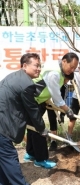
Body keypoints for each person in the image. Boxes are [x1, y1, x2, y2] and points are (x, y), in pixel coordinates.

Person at [24, 52, 79, 169]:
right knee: (40, 128)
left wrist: (47, 100)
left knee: (32, 128)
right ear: (64, 61)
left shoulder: (56, 67)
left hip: (37, 99)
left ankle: (30, 153)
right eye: (71, 67)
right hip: (32, 100)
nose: (72, 70)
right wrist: (67, 110)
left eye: (75, 68)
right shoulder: (54, 73)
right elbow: (56, 96)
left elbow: (46, 88)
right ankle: (41, 159)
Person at [0, 53, 47, 185]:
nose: (39, 69)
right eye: (36, 66)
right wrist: (42, 129)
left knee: (3, 161)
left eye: (40, 66)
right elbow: (33, 110)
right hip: (2, 127)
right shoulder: (26, 84)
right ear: (25, 65)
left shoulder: (14, 76)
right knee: (9, 158)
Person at [48, 72, 74, 151]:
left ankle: (56, 141)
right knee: (50, 120)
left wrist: (62, 114)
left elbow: (63, 100)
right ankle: (51, 141)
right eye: (66, 80)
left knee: (55, 120)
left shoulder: (64, 86)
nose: (66, 82)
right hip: (47, 101)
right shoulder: (53, 80)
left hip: (57, 104)